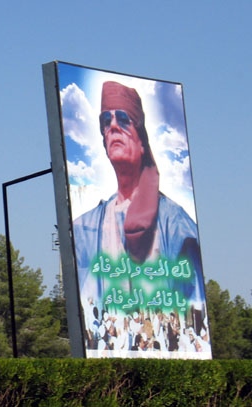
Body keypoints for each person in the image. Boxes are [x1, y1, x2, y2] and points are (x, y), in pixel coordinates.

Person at [73, 81, 206, 354]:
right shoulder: (86, 228)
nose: (112, 127)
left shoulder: (175, 224)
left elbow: (194, 301)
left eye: (123, 119)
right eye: (104, 121)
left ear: (142, 141)